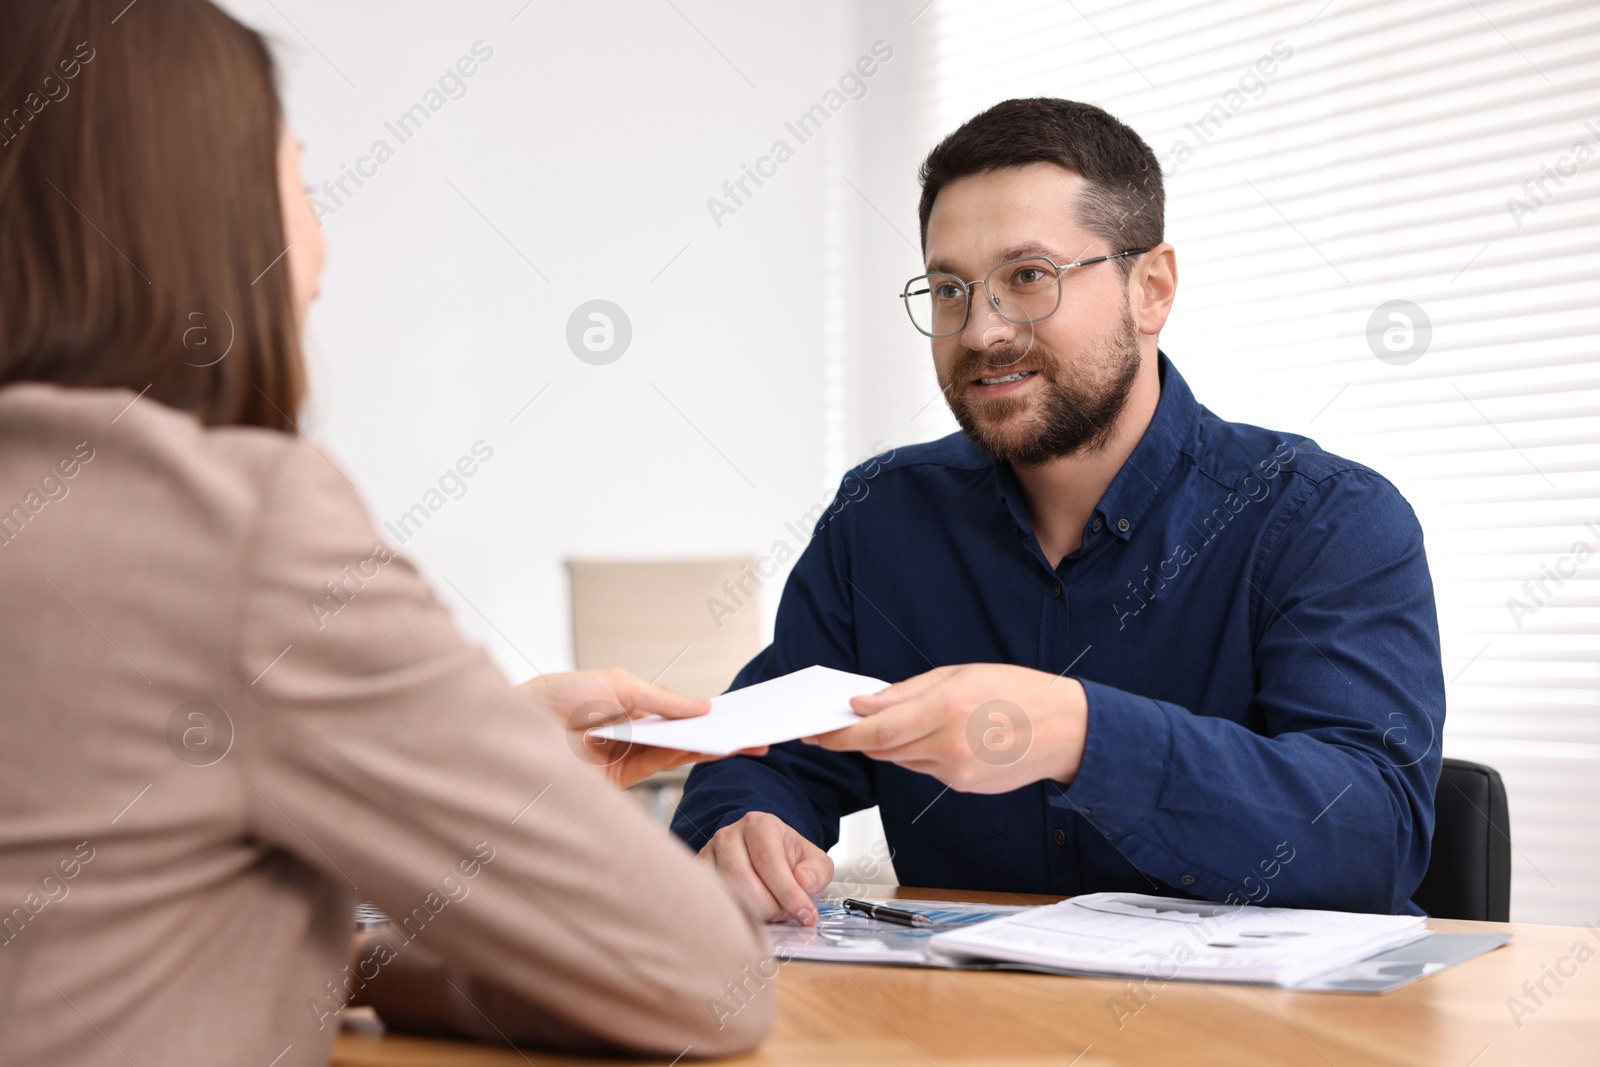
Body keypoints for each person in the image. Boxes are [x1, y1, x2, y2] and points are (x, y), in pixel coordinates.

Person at [0, 2, 772, 1063]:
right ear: (200, 216)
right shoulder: (237, 523)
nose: (321, 248)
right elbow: (713, 977)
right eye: (301, 181)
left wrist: (435, 764)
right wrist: (375, 938)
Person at [673, 97, 1446, 925]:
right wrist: (745, 826)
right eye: (948, 289)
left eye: (1028, 277)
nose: (981, 330)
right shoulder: (882, 517)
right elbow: (765, 749)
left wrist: (1079, 735)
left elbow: (1372, 834)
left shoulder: (1329, 519)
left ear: (1149, 289)